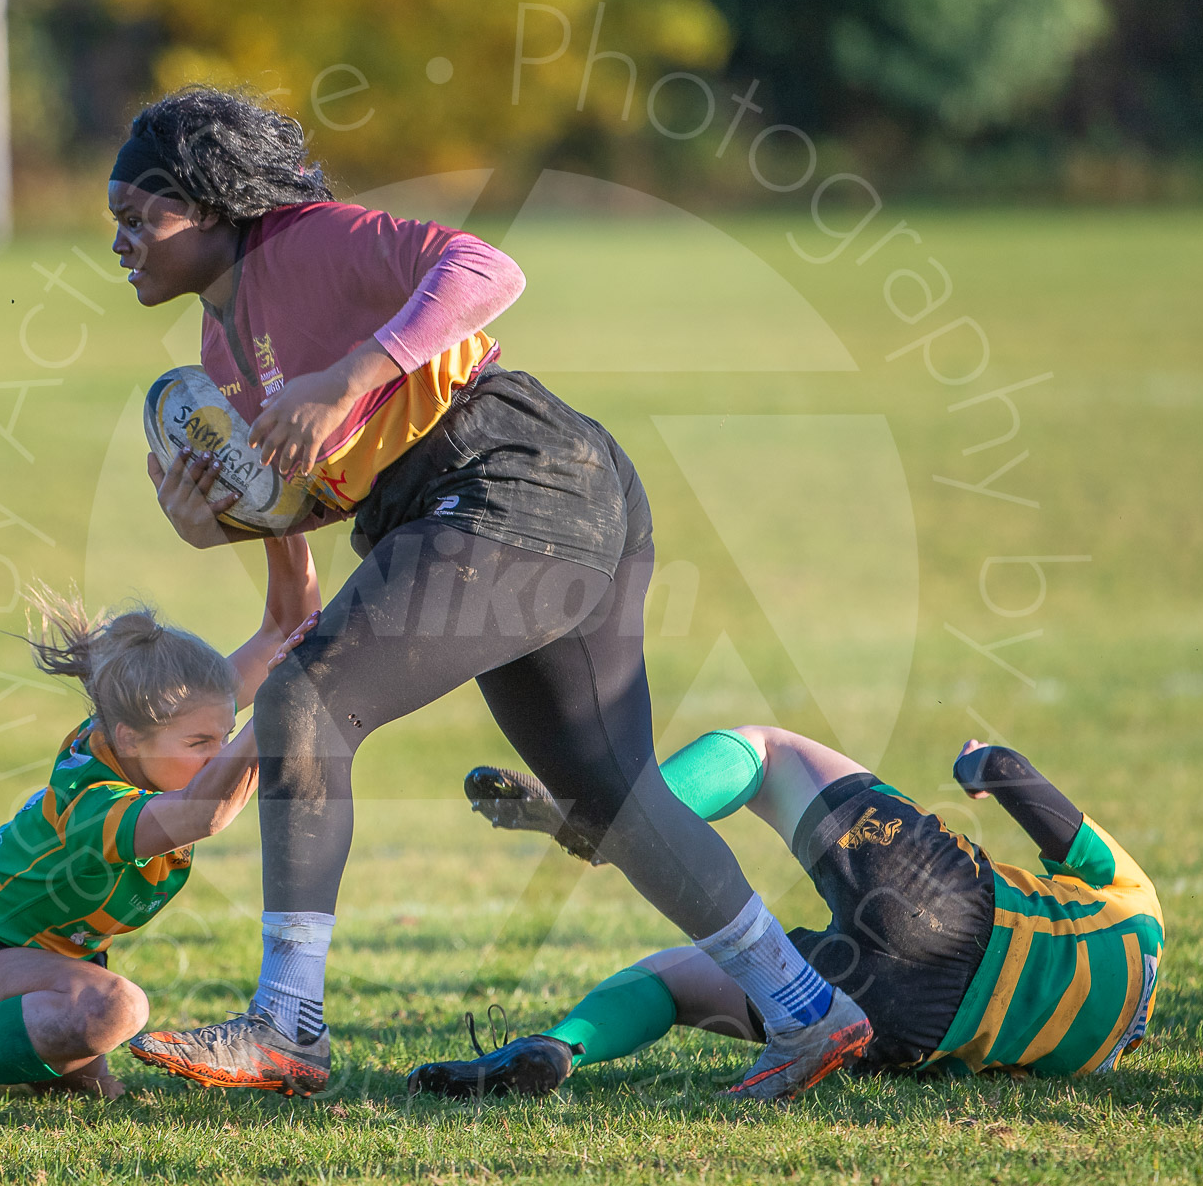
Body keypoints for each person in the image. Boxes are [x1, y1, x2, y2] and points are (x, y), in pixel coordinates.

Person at [107, 86, 870, 1101]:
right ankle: (811, 1009)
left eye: (139, 216)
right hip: (525, 495)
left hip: (513, 477)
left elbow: (485, 267)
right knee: (615, 798)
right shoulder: (220, 350)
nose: (120, 241)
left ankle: (286, 1026)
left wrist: (348, 374)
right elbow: (316, 497)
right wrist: (216, 523)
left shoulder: (305, 242)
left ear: (213, 203)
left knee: (307, 701)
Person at [0, 541, 320, 1124]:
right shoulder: (96, 803)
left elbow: (287, 631)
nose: (216, 753)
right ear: (130, 738)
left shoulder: (148, 728)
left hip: (37, 964)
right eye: (200, 745)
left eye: (223, 734)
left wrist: (282, 518)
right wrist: (276, 706)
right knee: (115, 1008)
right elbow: (204, 813)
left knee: (92, 1093)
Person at [407, 727, 1164, 1099]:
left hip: (945, 900)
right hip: (909, 1025)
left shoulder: (1141, 915)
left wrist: (978, 764)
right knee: (674, 985)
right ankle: (559, 1050)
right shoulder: (1087, 1059)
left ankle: (611, 828)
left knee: (765, 751)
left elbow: (1006, 775)